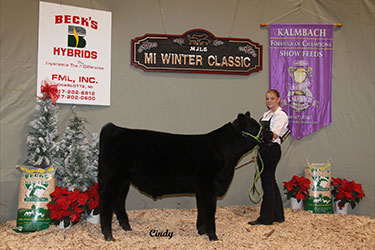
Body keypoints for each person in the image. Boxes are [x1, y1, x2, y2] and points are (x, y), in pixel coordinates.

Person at [248, 89, 289, 225]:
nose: (269, 101)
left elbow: (274, 135)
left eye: (272, 98)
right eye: (267, 99)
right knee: (271, 181)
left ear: (278, 99)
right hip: (264, 149)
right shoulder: (266, 114)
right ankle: (278, 215)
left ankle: (266, 218)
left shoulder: (281, 115)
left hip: (272, 150)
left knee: (267, 182)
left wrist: (257, 137)